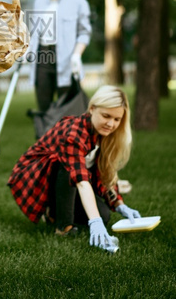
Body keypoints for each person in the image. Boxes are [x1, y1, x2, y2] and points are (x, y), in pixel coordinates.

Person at [8, 85, 141, 251]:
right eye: (106, 116)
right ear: (92, 109)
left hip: (72, 181)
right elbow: (80, 180)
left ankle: (54, 214)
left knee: (104, 215)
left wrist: (120, 205)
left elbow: (104, 173)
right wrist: (95, 221)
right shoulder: (73, 133)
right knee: (67, 168)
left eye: (117, 119)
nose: (110, 124)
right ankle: (63, 227)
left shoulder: (105, 136)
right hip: (38, 179)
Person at [27, 0, 92, 113]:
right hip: (42, 57)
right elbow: (34, 32)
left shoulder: (78, 1)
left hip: (66, 58)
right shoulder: (39, 2)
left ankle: (65, 137)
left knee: (67, 110)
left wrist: (77, 55)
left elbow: (84, 32)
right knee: (44, 106)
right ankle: (44, 136)